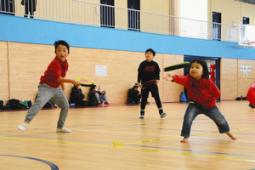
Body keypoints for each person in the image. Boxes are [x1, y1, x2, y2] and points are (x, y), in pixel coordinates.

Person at [164, 59, 236, 143]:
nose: (193, 69)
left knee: (220, 120)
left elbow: (217, 93)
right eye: (192, 67)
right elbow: (181, 78)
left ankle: (229, 133)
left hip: (209, 106)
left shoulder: (208, 82)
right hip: (194, 105)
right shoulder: (188, 80)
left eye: (197, 67)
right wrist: (172, 78)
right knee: (188, 118)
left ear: (203, 71)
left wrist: (208, 98)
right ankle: (185, 136)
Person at [17, 40, 80, 133]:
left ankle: (60, 127)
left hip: (56, 88)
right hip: (46, 87)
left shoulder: (65, 63)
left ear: (68, 53)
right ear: (55, 52)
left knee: (65, 105)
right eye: (59, 50)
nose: (61, 52)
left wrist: (62, 86)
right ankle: (25, 123)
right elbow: (58, 78)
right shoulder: (55, 63)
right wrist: (72, 81)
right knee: (40, 102)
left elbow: (61, 77)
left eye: (64, 50)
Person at [137, 48, 167, 119]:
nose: (148, 54)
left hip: (153, 84)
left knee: (157, 97)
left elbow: (158, 73)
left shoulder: (155, 64)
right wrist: (138, 82)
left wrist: (158, 79)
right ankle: (142, 114)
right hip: (144, 84)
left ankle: (161, 112)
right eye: (147, 53)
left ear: (153, 56)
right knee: (144, 99)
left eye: (150, 53)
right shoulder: (142, 64)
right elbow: (139, 74)